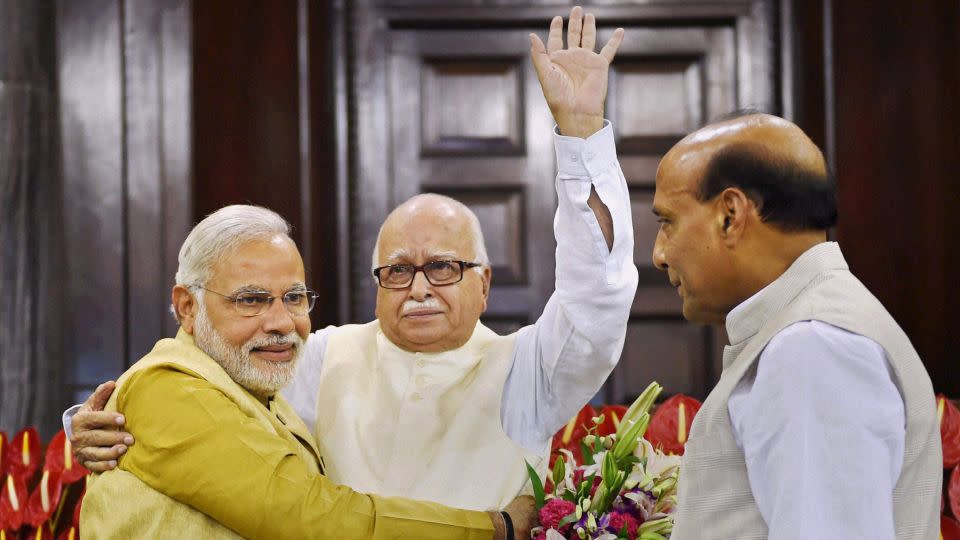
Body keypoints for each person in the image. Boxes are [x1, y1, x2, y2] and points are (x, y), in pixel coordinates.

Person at [68, 6, 638, 511]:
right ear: (376, 284)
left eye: (442, 268)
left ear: (484, 285)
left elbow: (598, 298)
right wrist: (98, 422)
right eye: (397, 271)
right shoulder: (321, 356)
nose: (418, 289)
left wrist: (582, 134)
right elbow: (214, 387)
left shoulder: (529, 369)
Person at [79, 205, 534, 539]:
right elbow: (310, 516)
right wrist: (497, 527)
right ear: (187, 307)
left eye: (294, 298)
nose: (281, 322)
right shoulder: (170, 387)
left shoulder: (264, 385)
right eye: (251, 299)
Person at [651, 112, 941, 539]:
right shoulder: (807, 331)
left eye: (667, 222)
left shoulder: (812, 346)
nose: (659, 254)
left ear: (730, 215)